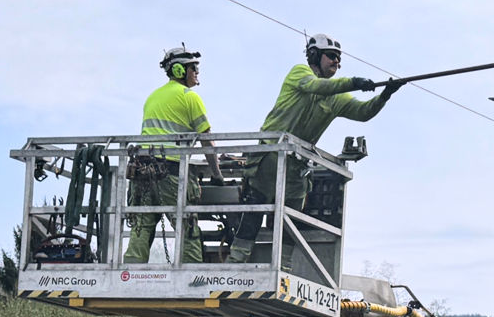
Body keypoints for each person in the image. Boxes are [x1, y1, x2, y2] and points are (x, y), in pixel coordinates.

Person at [227, 32, 404, 263]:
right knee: (255, 209)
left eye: (339, 60)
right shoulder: (300, 73)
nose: (336, 63)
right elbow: (316, 86)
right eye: (331, 56)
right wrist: (353, 82)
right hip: (270, 156)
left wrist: (385, 95)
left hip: (295, 163)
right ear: (314, 55)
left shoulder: (335, 96)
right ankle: (236, 261)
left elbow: (363, 112)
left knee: (292, 217)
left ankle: (284, 266)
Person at [125, 45, 224, 264]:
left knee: (141, 228)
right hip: (170, 175)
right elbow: (206, 139)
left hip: (142, 173)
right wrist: (217, 175)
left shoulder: (152, 97)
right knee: (186, 228)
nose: (197, 72)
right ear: (179, 71)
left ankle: (129, 276)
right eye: (193, 68)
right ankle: (192, 280)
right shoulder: (190, 97)